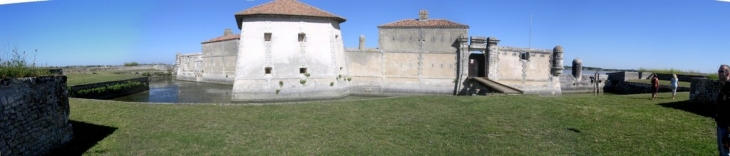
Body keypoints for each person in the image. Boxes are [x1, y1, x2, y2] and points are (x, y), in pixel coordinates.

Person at [717, 64, 730, 156]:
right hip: (721, 123)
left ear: (727, 73)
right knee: (722, 150)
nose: (718, 73)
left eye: (721, 71)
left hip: (726, 126)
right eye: (719, 71)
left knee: (726, 151)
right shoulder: (724, 87)